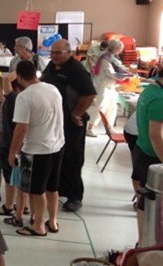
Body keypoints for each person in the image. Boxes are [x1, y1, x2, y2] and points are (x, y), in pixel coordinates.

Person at [9, 60, 64, 237]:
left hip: (37, 149)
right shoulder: (52, 89)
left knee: (36, 190)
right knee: (52, 187)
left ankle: (38, 225)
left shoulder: (25, 97)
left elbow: (21, 128)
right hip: (57, 145)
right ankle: (53, 221)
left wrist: (12, 152)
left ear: (19, 77)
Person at [41, 39, 96, 212]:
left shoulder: (77, 70)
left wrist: (76, 113)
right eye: (52, 52)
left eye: (58, 53)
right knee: (57, 156)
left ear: (69, 52)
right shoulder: (51, 65)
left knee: (72, 157)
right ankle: (58, 189)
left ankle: (75, 196)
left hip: (72, 123)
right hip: (53, 121)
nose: (54, 56)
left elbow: (89, 94)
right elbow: (42, 81)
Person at [0, 75, 30, 226]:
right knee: (21, 179)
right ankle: (25, 206)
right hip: (21, 146)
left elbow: (5, 80)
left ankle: (9, 206)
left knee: (10, 178)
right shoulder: (24, 100)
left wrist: (22, 66)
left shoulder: (14, 98)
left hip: (10, 145)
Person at [133, 73, 163, 246]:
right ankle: (146, 244)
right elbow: (156, 136)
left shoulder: (151, 90)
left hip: (141, 149)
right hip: (151, 157)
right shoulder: (160, 98)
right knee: (151, 203)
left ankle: (142, 241)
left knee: (145, 200)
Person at [85, 39, 131, 137]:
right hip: (103, 86)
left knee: (112, 107)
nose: (120, 51)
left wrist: (126, 72)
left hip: (111, 86)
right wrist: (127, 75)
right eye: (120, 49)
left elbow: (119, 66)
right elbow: (112, 73)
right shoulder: (104, 58)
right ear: (116, 48)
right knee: (100, 107)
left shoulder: (111, 57)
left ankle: (110, 128)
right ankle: (90, 127)